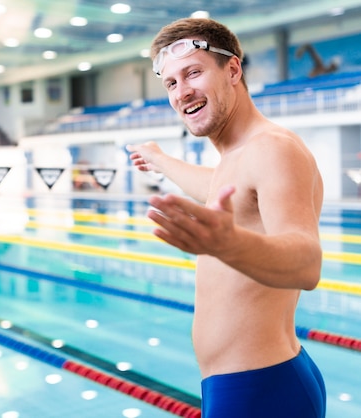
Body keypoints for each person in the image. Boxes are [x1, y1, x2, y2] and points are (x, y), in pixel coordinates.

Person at [127, 18, 326, 417]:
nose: (182, 92)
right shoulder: (238, 156)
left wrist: (228, 244)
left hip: (260, 388)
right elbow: (223, 189)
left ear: (233, 69)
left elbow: (308, 263)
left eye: (193, 73)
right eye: (170, 83)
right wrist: (162, 161)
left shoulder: (271, 148)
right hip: (248, 382)